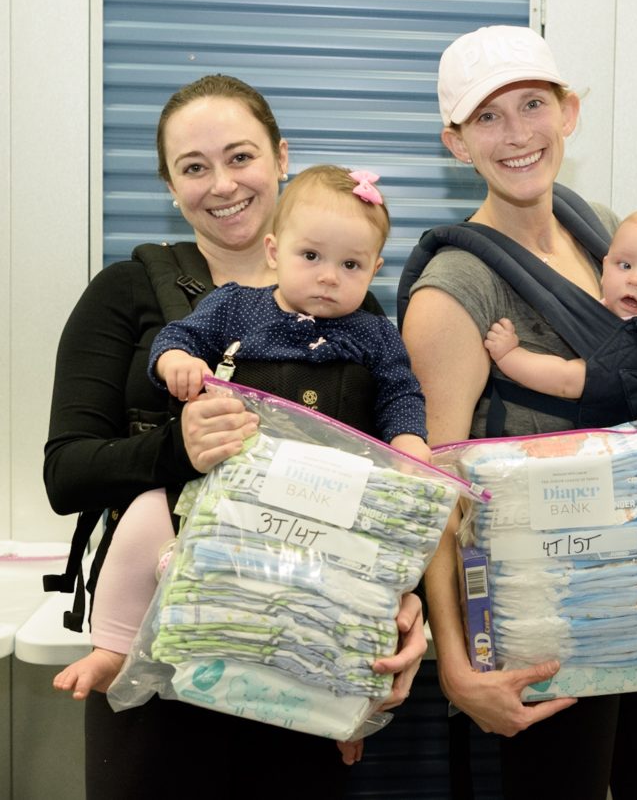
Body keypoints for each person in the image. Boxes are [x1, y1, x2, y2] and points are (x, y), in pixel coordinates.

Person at [44, 75, 426, 798]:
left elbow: (388, 455)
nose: (222, 183)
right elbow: (66, 474)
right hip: (163, 654)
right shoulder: (127, 293)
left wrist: (399, 598)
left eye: (241, 156)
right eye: (193, 166)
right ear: (170, 184)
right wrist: (176, 450)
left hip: (301, 633)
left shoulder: (358, 317)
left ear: (280, 157)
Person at [400, 25, 637, 799]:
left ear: (568, 112)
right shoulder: (456, 289)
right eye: (487, 117)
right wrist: (454, 662)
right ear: (455, 141)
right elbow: (434, 484)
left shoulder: (601, 233)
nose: (517, 134)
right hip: (539, 619)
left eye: (533, 104)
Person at [484, 208, 637, 399]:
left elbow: (566, 381)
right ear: (605, 267)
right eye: (625, 265)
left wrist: (510, 356)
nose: (634, 280)